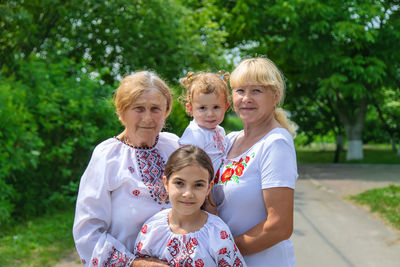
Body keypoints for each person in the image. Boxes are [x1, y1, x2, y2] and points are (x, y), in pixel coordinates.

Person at [73, 71, 179, 267]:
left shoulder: (176, 147)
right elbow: (87, 230)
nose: (148, 118)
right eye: (139, 109)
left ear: (166, 112)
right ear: (122, 112)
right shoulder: (107, 155)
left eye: (155, 109)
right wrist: (136, 264)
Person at [212, 57, 298, 266]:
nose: (246, 98)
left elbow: (279, 226)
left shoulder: (276, 143)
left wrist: (221, 252)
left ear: (275, 96)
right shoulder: (228, 140)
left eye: (257, 91)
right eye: (240, 91)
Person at [133, 145, 246, 266]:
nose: (188, 194)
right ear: (166, 183)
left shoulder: (217, 232)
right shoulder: (152, 228)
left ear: (209, 188)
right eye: (179, 183)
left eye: (198, 185)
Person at [178, 71, 230, 174]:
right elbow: (189, 166)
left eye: (216, 107)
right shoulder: (195, 133)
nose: (210, 114)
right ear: (190, 109)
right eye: (202, 108)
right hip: (202, 184)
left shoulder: (220, 130)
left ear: (226, 107)